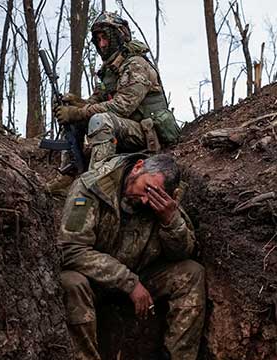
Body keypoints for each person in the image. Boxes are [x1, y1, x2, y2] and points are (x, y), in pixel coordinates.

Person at [58, 153, 205, 360]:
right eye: (146, 190)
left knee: (191, 272)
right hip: (96, 281)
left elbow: (183, 254)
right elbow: (70, 248)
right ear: (137, 167)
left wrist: (170, 221)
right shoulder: (91, 187)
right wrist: (129, 283)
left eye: (153, 196)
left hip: (143, 274)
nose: (146, 200)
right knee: (71, 283)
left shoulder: (164, 199)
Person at [48, 12, 180, 194]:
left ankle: (97, 183)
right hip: (124, 128)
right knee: (76, 118)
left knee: (100, 120)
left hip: (147, 134)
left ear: (119, 36)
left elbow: (122, 106)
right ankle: (69, 175)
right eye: (99, 39)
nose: (102, 44)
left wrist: (78, 112)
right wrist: (75, 104)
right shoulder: (109, 70)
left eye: (106, 38)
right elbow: (96, 101)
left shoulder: (136, 64)